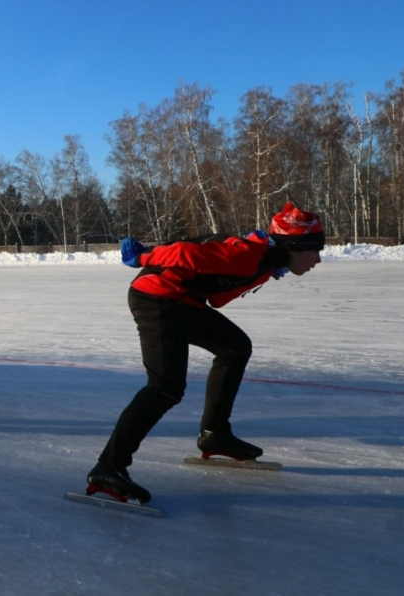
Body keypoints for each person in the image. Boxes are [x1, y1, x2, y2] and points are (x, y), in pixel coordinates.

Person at [87, 201, 326, 504]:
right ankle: (108, 468)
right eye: (314, 250)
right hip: (157, 298)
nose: (317, 259)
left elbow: (214, 292)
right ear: (294, 246)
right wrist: (143, 256)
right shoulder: (249, 256)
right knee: (165, 388)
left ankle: (215, 434)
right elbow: (186, 254)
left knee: (234, 347)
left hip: (182, 300)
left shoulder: (263, 260)